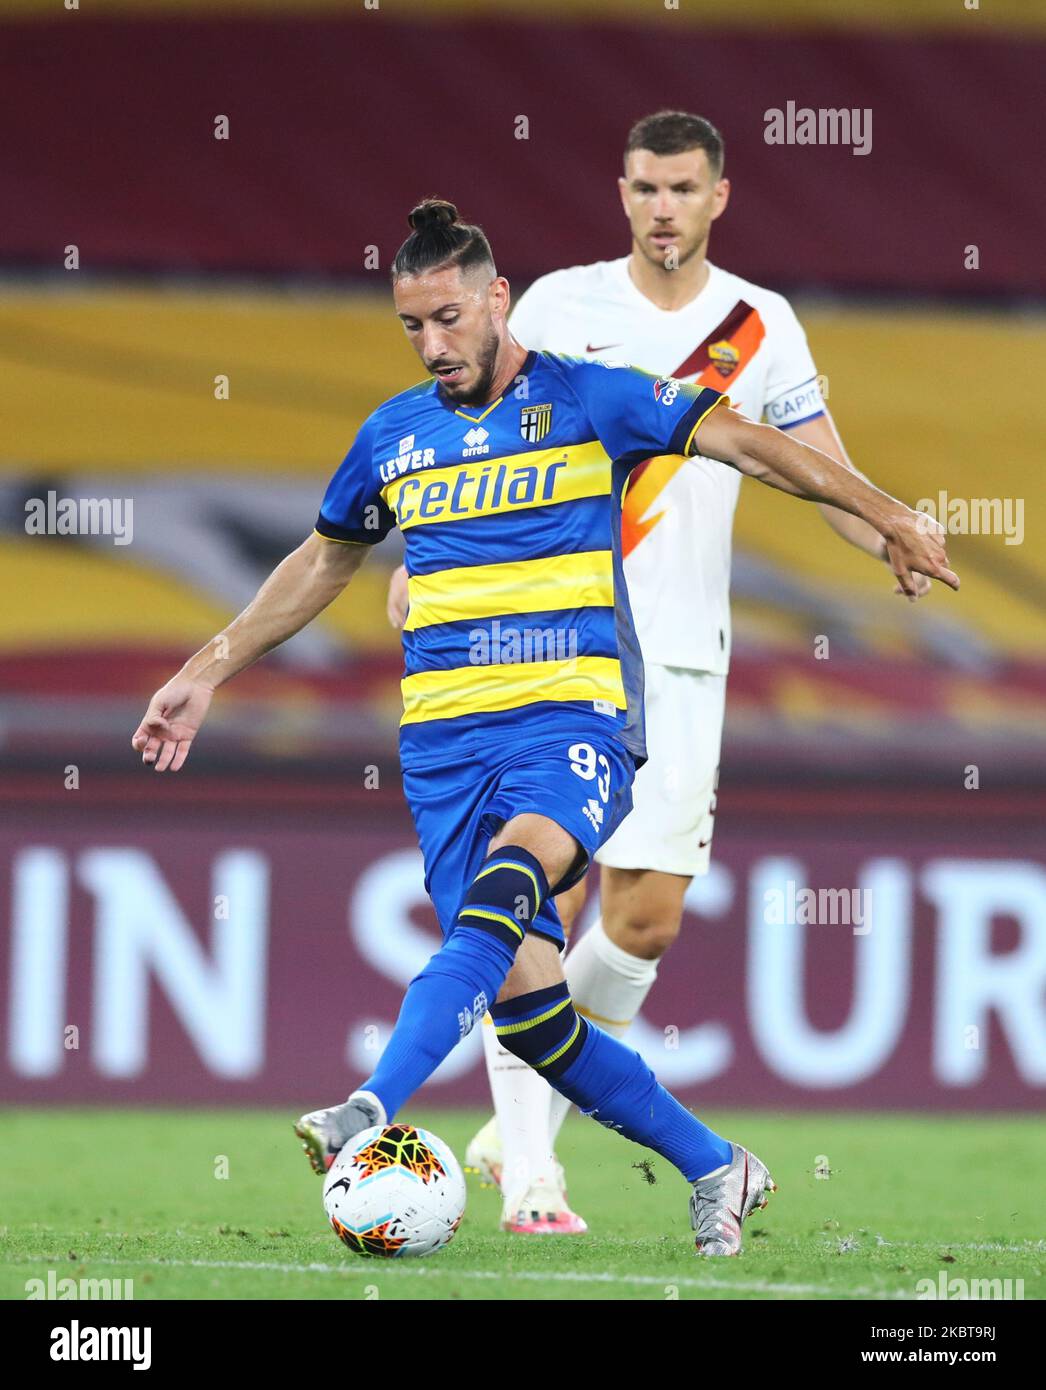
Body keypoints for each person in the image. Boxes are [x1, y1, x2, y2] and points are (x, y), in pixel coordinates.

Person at [132, 198, 957, 1256]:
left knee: (509, 884)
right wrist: (205, 671)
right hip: (440, 753)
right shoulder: (394, 435)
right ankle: (717, 1165)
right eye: (411, 328)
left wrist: (887, 511)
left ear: (496, 299)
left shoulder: (591, 398)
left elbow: (746, 442)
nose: (432, 346)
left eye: (447, 319)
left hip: (571, 719)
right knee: (533, 1018)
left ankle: (366, 1107)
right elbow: (323, 559)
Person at [387, 112, 933, 1235]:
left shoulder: (759, 325)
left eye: (681, 189)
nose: (660, 208)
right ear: (622, 192)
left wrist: (878, 529)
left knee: (640, 921)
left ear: (717, 196)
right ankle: (532, 1172)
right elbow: (462, 438)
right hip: (555, 640)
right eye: (642, 188)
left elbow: (807, 465)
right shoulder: (551, 305)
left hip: (682, 649)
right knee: (539, 895)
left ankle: (522, 1112)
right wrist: (414, 564)